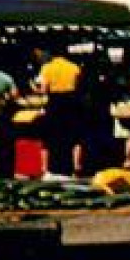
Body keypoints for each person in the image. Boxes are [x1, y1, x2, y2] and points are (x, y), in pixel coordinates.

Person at [35, 46, 83, 178]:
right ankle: (76, 167)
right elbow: (79, 87)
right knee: (74, 137)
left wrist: (36, 89)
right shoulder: (74, 67)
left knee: (48, 137)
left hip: (54, 102)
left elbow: (44, 90)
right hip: (72, 102)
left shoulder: (47, 68)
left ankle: (45, 168)